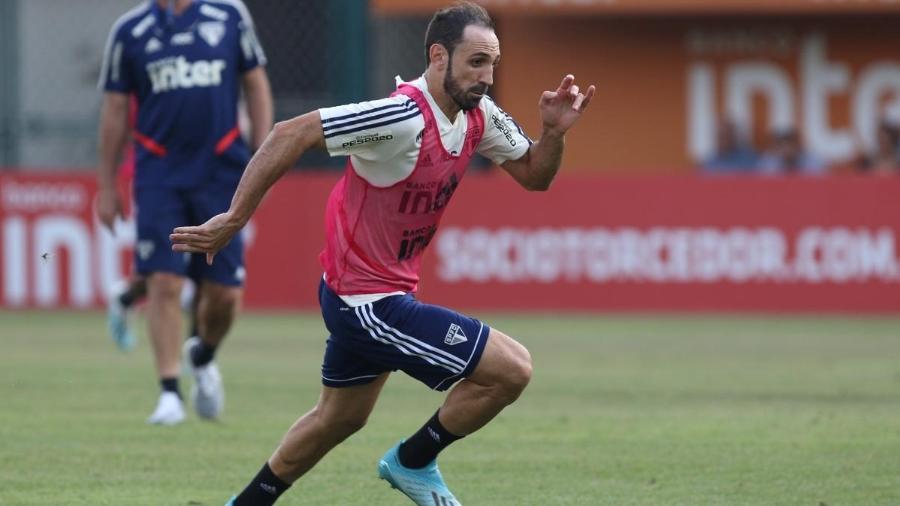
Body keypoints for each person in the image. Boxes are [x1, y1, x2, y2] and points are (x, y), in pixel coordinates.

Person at [172, 2, 594, 504]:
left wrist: (552, 134)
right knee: (511, 369)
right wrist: (235, 219)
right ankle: (412, 461)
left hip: (375, 293)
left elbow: (534, 176)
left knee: (338, 419)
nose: (487, 76)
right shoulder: (402, 117)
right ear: (439, 57)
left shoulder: (480, 116)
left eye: (493, 64)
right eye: (476, 62)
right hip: (365, 301)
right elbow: (292, 132)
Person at [96, 0, 273, 425]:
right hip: (159, 173)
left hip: (223, 170)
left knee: (225, 294)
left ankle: (203, 355)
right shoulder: (129, 31)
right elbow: (116, 110)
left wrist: (263, 159)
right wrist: (106, 184)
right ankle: (170, 393)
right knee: (165, 280)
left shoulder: (230, 15)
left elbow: (256, 84)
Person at [756, 127, 826, 175]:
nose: (786, 149)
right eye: (781, 145)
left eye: (790, 144)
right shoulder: (768, 163)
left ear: (798, 145)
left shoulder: (812, 161)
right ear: (775, 147)